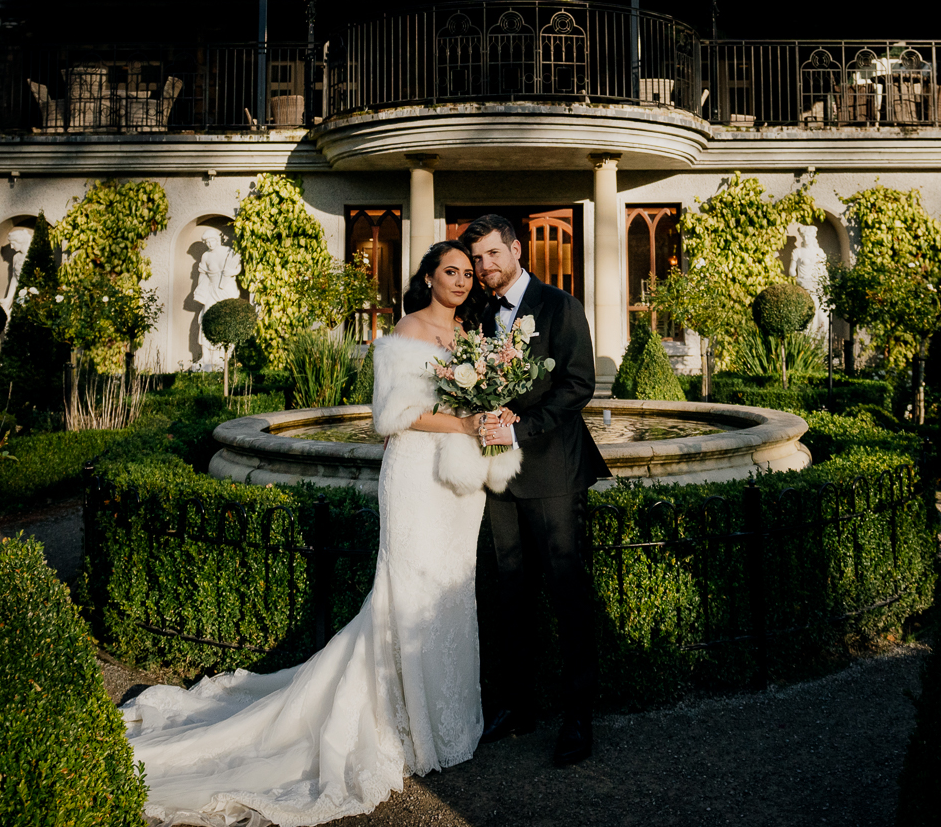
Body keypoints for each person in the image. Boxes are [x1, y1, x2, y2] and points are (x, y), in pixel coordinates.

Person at [120, 240, 515, 826]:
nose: (461, 280)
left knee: (450, 591)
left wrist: (496, 412)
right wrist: (467, 419)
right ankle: (405, 727)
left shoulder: (472, 337)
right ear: (428, 277)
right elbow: (389, 416)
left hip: (459, 489)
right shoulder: (406, 330)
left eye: (466, 273)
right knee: (404, 593)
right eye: (449, 271)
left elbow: (479, 399)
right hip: (415, 480)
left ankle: (449, 721)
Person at [461, 213, 607, 768]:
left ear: (517, 250)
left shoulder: (560, 306)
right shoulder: (476, 313)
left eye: (493, 255)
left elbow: (578, 385)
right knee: (511, 595)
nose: (484, 267)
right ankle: (519, 708)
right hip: (497, 479)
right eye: (476, 259)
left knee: (567, 596)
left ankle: (577, 717)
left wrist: (519, 428)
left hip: (551, 472)